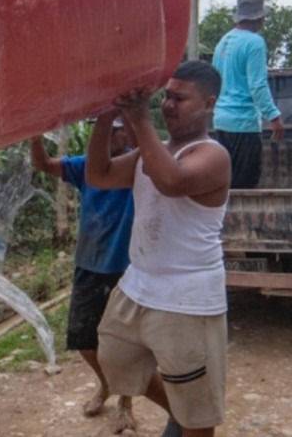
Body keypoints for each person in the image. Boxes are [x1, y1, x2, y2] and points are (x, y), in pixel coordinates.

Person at [85, 60, 232, 437]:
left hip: (188, 299)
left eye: (180, 99)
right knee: (114, 358)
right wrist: (106, 116)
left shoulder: (213, 155)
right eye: (166, 96)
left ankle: (186, 418)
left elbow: (170, 181)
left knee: (197, 406)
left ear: (209, 104)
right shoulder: (152, 153)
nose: (167, 104)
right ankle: (177, 412)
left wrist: (138, 119)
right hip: (139, 286)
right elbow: (98, 175)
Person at [28, 119, 135, 429]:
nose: (109, 135)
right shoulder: (86, 165)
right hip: (89, 264)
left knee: (126, 342)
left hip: (127, 269)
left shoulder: (139, 164)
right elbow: (43, 164)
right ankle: (106, 383)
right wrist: (34, 136)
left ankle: (126, 402)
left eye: (116, 129)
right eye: (104, 128)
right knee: (83, 339)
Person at [211, 0, 285, 188]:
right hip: (243, 124)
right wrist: (273, 116)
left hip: (221, 121)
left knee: (225, 185)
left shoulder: (223, 42)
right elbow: (257, 85)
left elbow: (215, 80)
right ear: (259, 18)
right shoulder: (254, 43)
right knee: (245, 187)